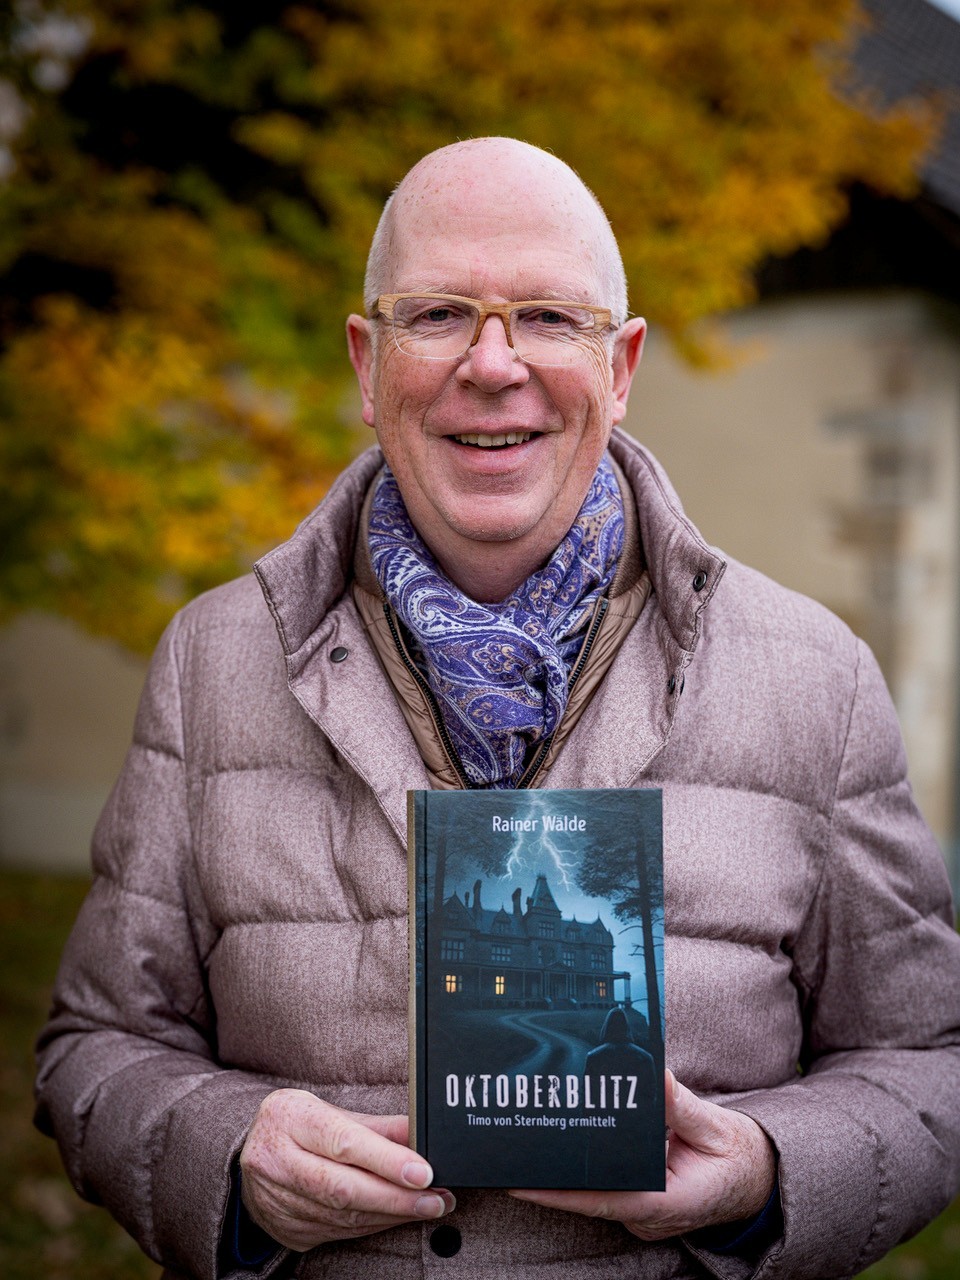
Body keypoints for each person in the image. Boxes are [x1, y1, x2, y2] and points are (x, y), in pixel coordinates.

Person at [35, 137, 960, 1280]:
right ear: (367, 364)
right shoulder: (213, 661)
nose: (492, 362)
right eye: (437, 314)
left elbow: (931, 1064)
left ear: (620, 367)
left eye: (547, 318)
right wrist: (229, 1157)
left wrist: (768, 1170)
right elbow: (92, 1049)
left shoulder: (814, 677)